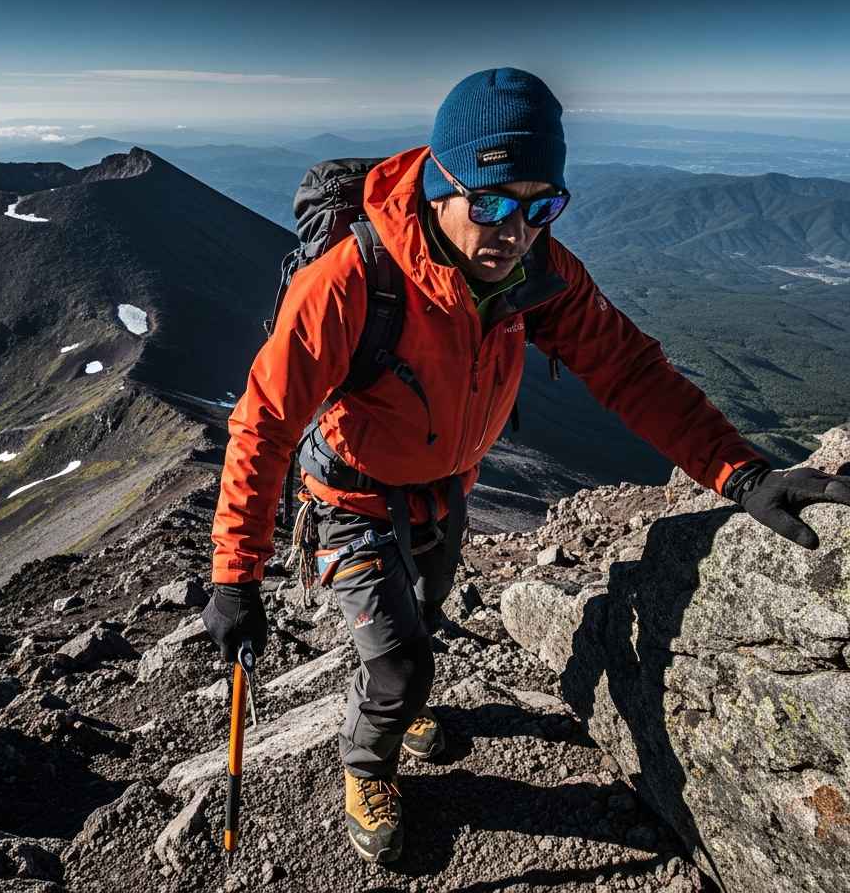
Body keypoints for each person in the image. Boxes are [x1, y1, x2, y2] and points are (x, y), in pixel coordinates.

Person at [202, 67, 850, 864]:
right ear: (443, 185)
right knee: (401, 661)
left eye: (542, 205)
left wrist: (743, 474)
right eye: (493, 202)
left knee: (427, 618)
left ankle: (396, 705)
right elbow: (264, 421)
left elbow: (629, 371)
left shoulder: (534, 275)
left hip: (445, 490)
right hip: (349, 497)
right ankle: (366, 764)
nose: (515, 229)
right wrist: (236, 578)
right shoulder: (350, 283)